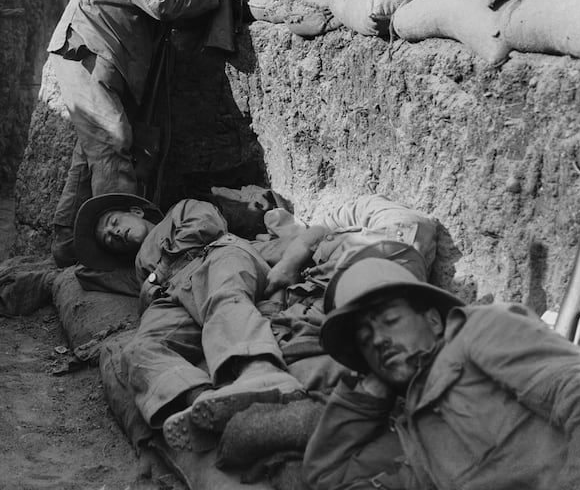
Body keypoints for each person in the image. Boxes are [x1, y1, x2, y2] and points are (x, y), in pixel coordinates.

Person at [75, 190, 440, 452]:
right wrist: (149, 289)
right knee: (137, 349)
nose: (113, 233)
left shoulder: (179, 210)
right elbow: (78, 274)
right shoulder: (138, 270)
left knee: (225, 302)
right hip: (173, 297)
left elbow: (207, 224)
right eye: (107, 239)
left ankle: (260, 371)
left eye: (112, 221)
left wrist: (158, 273)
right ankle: (201, 403)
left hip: (214, 256)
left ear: (133, 209)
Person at [46, 0, 235, 267]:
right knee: (113, 140)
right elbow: (161, 1)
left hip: (108, 57)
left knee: (92, 154)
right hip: (88, 52)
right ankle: (120, 261)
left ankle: (68, 245)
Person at [303, 257, 580, 490]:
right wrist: (367, 396)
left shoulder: (479, 330)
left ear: (434, 320)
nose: (378, 340)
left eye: (390, 320)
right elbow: (327, 478)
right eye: (365, 339)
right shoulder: (415, 438)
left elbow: (576, 392)